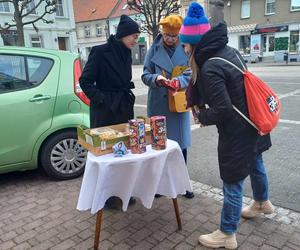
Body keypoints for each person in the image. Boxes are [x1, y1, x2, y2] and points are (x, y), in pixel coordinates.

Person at [179, 2, 261, 249]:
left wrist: (202, 117)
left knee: (232, 180)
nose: (183, 49)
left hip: (236, 130)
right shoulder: (228, 50)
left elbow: (223, 109)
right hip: (251, 121)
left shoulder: (210, 64)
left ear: (193, 43)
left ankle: (227, 233)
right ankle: (261, 202)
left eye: (185, 44)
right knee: (251, 164)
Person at [79, 14, 140, 209]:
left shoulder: (126, 52)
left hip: (122, 107)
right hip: (105, 111)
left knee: (123, 151)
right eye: (133, 36)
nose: (135, 40)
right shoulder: (100, 51)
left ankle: (122, 192)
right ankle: (105, 196)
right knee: (106, 155)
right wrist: (102, 99)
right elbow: (85, 81)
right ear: (123, 34)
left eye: (138, 36)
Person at [141, 14, 194, 199]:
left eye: (173, 36)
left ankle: (183, 183)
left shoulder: (186, 49)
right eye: (166, 35)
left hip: (178, 102)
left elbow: (191, 72)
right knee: (159, 145)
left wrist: (177, 82)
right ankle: (161, 184)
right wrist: (156, 79)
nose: (170, 39)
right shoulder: (153, 50)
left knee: (180, 146)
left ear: (179, 34)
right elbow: (145, 74)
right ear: (162, 33)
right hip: (159, 103)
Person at [241, 134, 274, 219]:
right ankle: (262, 201)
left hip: (248, 135)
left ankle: (261, 203)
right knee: (256, 163)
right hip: (258, 133)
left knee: (255, 165)